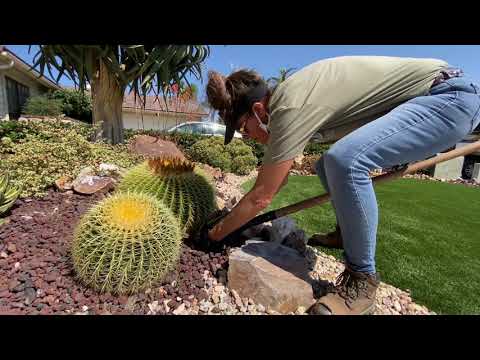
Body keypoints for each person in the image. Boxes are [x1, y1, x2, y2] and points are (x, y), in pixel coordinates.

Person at [205, 56, 480, 315]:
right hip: (431, 97)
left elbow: (262, 196)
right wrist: (229, 222)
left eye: (244, 129)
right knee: (325, 164)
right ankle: (346, 232)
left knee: (345, 161)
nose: (249, 138)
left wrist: (213, 236)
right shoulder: (288, 97)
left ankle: (362, 281)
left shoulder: (288, 107)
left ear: (258, 110)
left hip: (448, 99)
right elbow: (276, 181)